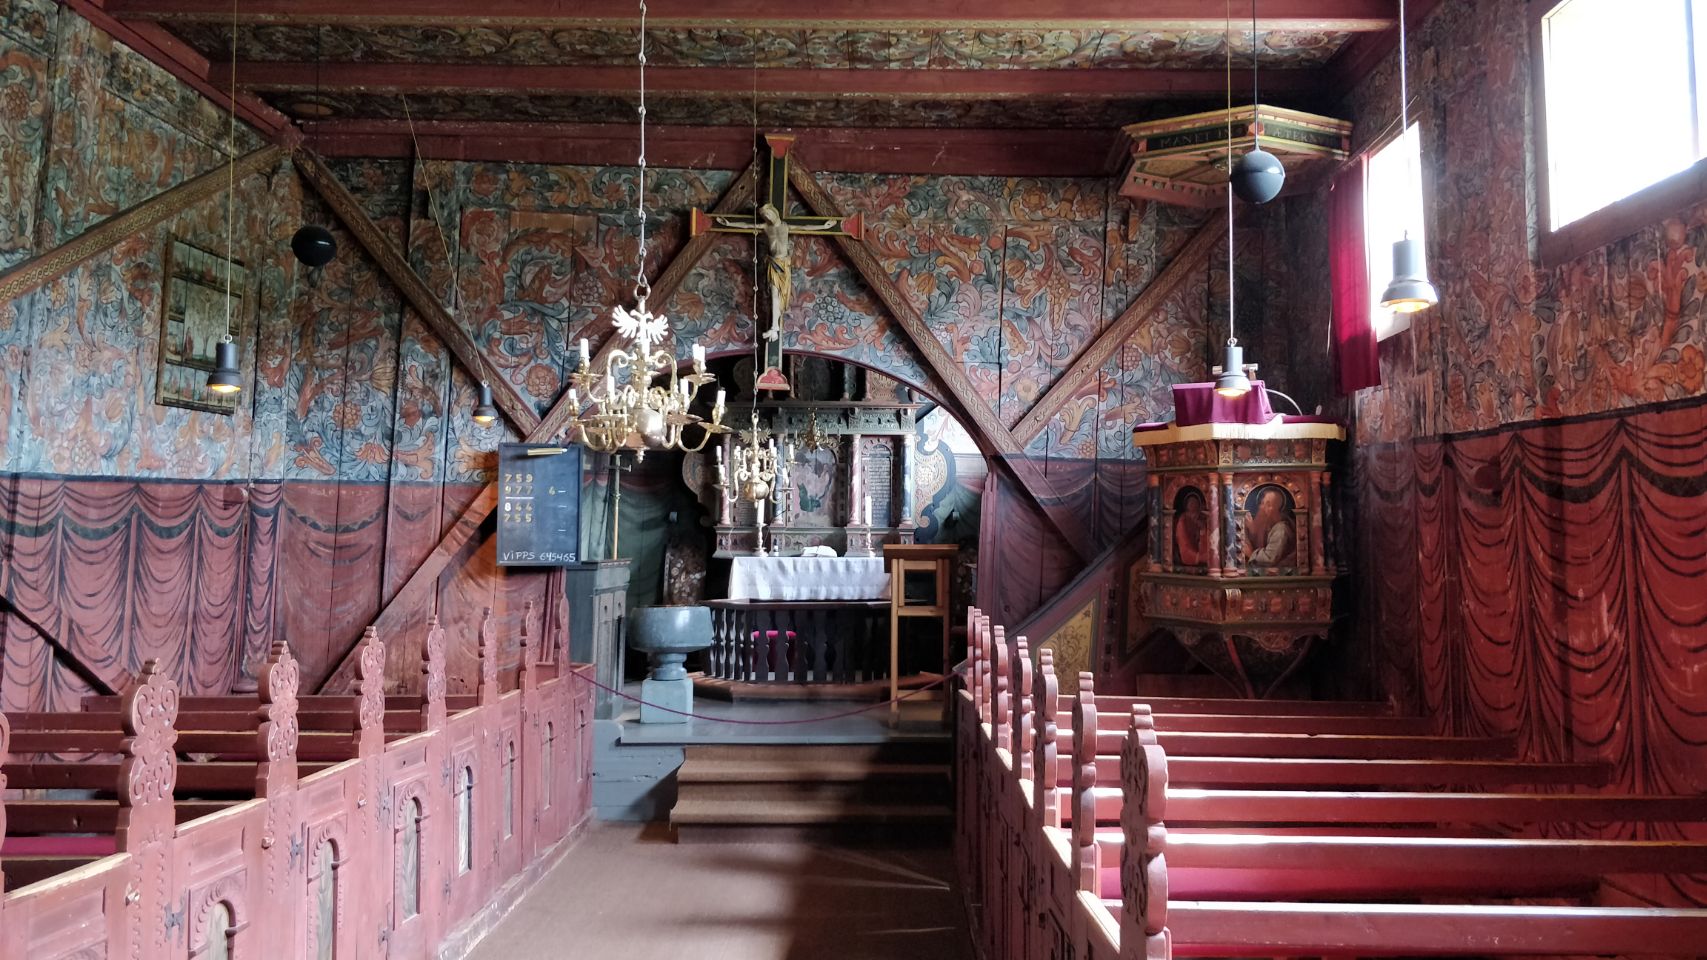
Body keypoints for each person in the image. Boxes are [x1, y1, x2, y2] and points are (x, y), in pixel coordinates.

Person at [1243, 487, 1296, 566]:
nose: (1262, 507)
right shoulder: (1269, 524)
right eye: (1262, 503)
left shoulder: (1281, 529)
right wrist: (1252, 530)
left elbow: (1270, 558)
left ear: (1277, 509)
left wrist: (1251, 554)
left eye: (1268, 505)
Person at [1173, 491, 1208, 566]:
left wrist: (1202, 529)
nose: (1193, 505)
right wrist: (1199, 557)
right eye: (1191, 503)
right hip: (1188, 556)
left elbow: (1205, 546)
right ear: (1186, 506)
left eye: (1195, 502)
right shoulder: (1183, 520)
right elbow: (1184, 547)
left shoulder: (1201, 518)